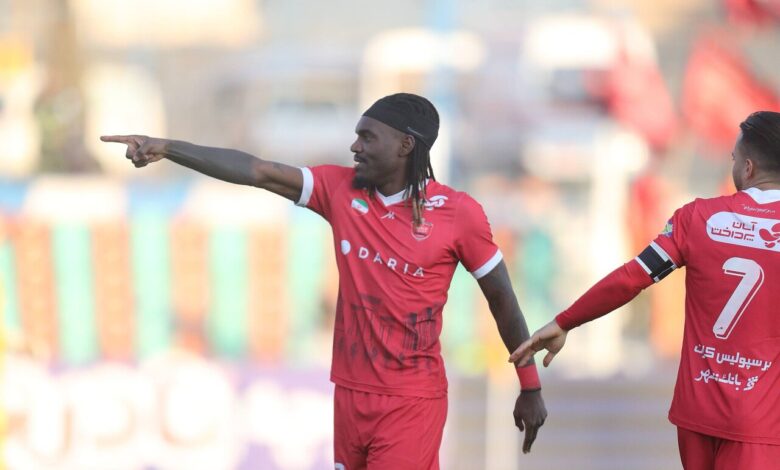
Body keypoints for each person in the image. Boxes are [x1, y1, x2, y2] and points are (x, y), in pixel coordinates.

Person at [103, 93, 547, 469]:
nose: (355, 146)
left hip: (410, 401)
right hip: (349, 396)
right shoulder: (339, 190)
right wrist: (168, 148)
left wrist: (529, 385)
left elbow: (502, 299)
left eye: (367, 137)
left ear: (405, 145)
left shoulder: (458, 214)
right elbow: (258, 171)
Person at [510, 111, 780, 469]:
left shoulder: (696, 218)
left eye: (733, 159)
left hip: (696, 415)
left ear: (747, 168)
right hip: (759, 420)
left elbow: (631, 278)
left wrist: (565, 322)